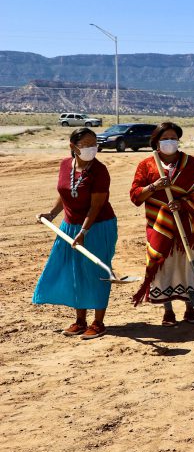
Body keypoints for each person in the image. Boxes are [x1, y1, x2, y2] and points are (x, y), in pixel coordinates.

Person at [33, 128, 118, 339]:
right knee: (74, 273)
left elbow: (96, 206)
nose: (92, 148)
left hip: (97, 226)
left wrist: (84, 231)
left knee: (95, 272)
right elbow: (65, 194)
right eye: (86, 144)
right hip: (69, 226)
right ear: (73, 147)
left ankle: (98, 322)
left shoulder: (100, 170)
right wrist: (52, 214)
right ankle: (80, 320)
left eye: (94, 143)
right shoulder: (65, 165)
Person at [130, 122, 194, 326]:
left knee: (187, 265)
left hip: (186, 225)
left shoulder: (192, 164)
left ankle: (190, 308)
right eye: (165, 138)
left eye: (173, 138)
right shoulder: (147, 165)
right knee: (163, 265)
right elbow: (135, 196)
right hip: (158, 226)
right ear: (156, 141)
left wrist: (183, 203)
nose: (170, 142)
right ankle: (168, 311)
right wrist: (154, 186)